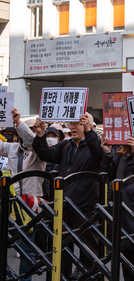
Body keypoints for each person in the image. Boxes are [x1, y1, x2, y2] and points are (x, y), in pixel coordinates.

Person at [31, 113, 102, 280]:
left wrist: (90, 132)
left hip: (84, 204)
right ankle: (63, 276)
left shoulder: (94, 145)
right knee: (62, 246)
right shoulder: (67, 145)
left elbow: (100, 157)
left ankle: (91, 276)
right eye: (71, 123)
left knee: (89, 247)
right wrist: (40, 135)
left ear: (87, 125)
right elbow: (47, 154)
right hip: (63, 203)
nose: (72, 127)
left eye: (77, 123)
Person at [101, 134, 134, 279]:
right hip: (121, 206)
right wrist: (107, 153)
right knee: (125, 252)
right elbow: (108, 173)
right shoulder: (121, 153)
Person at [0, 109, 45, 281]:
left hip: (30, 203)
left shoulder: (39, 151)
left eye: (32, 130)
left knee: (26, 247)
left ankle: (25, 280)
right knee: (6, 244)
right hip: (11, 201)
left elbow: (32, 141)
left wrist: (19, 123)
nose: (29, 134)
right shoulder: (12, 147)